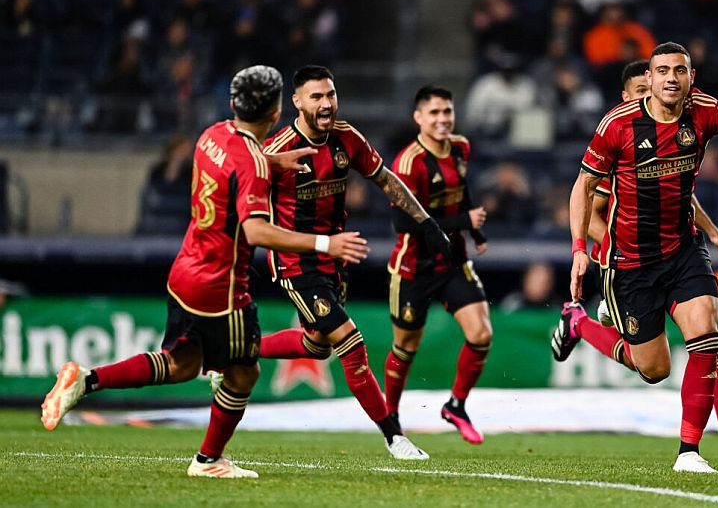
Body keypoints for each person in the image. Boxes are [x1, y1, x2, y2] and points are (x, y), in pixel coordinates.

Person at [40, 65, 369, 479]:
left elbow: (242, 161)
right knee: (244, 372)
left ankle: (85, 380)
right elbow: (256, 230)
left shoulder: (212, 136)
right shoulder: (253, 164)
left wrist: (272, 161)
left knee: (180, 365)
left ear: (232, 104)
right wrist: (325, 244)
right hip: (222, 287)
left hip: (185, 271)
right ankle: (209, 460)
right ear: (276, 112)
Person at [567, 12, 718, 473]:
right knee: (654, 369)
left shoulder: (700, 111)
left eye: (680, 70)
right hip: (631, 263)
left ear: (690, 77)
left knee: (707, 336)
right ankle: (579, 322)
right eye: (662, 71)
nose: (671, 78)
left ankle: (690, 452)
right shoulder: (618, 125)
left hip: (683, 250)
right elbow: (583, 187)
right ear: (651, 78)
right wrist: (580, 249)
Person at [259, 66, 451, 460]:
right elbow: (239, 192)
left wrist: (427, 223)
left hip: (334, 257)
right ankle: (395, 437)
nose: (326, 103)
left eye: (330, 94)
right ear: (297, 102)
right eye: (316, 96)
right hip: (295, 260)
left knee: (316, 345)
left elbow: (386, 179)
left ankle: (233, 351)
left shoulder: (346, 137)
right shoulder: (277, 150)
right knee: (351, 343)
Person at [383, 85, 492, 444]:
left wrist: (475, 232)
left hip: (453, 261)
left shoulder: (461, 146)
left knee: (481, 334)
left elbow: (462, 191)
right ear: (418, 117)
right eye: (434, 113)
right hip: (413, 268)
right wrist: (463, 221)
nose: (442, 119)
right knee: (406, 347)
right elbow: (403, 223)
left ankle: (456, 406)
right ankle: (391, 417)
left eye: (447, 111)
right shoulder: (408, 162)